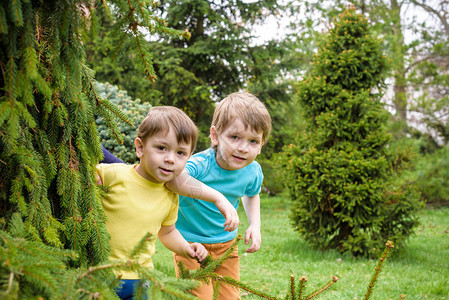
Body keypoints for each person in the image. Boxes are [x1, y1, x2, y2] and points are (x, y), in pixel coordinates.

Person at [96, 106, 238, 299]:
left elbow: (168, 231)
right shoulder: (113, 174)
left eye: (180, 153)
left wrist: (186, 248)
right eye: (161, 148)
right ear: (140, 147)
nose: (170, 159)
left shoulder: (170, 195)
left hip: (140, 277)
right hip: (100, 273)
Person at [166, 92, 272, 299]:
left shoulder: (253, 170)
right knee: (199, 296)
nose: (243, 148)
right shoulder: (202, 164)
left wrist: (255, 225)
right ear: (215, 136)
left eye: (253, 141)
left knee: (230, 297)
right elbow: (175, 180)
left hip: (226, 245)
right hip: (191, 244)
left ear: (262, 145)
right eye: (235, 137)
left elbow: (252, 194)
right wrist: (218, 197)